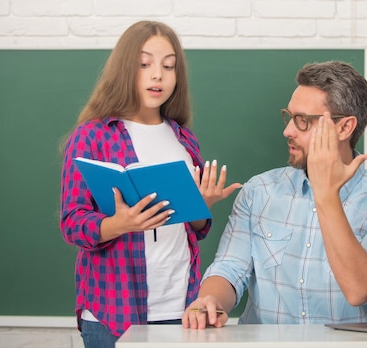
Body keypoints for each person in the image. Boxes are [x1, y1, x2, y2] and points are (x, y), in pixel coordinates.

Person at [182, 61, 367, 329]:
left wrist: (326, 192)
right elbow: (229, 269)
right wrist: (210, 300)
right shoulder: (259, 191)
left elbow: (360, 290)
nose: (288, 131)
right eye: (290, 116)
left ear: (344, 128)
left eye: (303, 121)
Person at [59, 21, 241, 347]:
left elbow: (194, 228)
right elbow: (72, 223)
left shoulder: (183, 138)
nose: (157, 74)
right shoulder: (92, 135)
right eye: (145, 64)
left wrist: (202, 205)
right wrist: (118, 224)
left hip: (182, 306)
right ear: (124, 69)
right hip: (114, 312)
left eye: (168, 66)